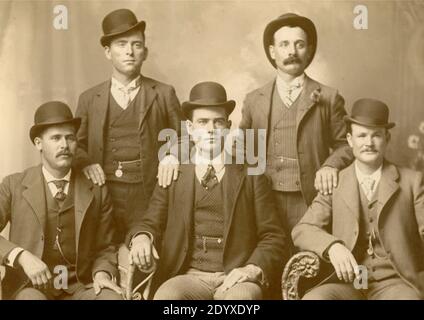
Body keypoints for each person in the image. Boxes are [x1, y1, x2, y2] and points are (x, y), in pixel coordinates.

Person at [127, 82, 287, 300]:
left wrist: (251, 269)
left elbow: (273, 236)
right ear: (190, 129)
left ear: (228, 127)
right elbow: (150, 222)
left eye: (218, 122)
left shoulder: (251, 174)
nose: (211, 130)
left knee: (240, 302)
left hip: (236, 276)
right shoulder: (174, 174)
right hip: (188, 276)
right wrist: (142, 238)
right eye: (202, 122)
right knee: (167, 298)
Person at [292, 98, 424, 300]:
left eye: (376, 135)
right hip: (349, 283)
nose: (369, 143)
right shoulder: (336, 182)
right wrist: (332, 246)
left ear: (387, 138)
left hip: (396, 282)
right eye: (361, 136)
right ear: (350, 140)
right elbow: (302, 230)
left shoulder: (412, 182)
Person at [75, 8, 184, 243]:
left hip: (150, 195)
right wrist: (86, 162)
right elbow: (76, 144)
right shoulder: (89, 98)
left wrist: (172, 155)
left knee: (146, 256)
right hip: (102, 194)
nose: (129, 51)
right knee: (104, 253)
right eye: (121, 44)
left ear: (144, 52)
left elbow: (184, 138)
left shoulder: (164, 94)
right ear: (107, 52)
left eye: (136, 45)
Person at [239, 13, 353, 236]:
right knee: (269, 260)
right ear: (273, 52)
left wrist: (330, 166)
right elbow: (242, 148)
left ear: (309, 50)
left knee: (307, 262)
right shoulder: (254, 99)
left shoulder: (329, 97)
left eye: (299, 44)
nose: (292, 52)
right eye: (284, 45)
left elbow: (346, 145)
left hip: (311, 199)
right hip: (263, 199)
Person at [0, 101, 122, 300]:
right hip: (30, 286)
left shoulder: (96, 189)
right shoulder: (13, 185)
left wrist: (102, 273)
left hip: (81, 286)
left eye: (70, 138)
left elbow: (105, 246)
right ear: (39, 143)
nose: (64, 145)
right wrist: (21, 256)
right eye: (55, 138)